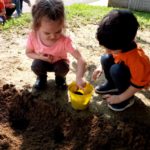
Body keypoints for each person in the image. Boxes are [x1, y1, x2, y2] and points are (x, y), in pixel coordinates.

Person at [92, 9, 150, 111]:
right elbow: (109, 52)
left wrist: (119, 98)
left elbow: (137, 85)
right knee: (105, 58)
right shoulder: (119, 44)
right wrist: (100, 67)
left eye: (111, 48)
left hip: (133, 82)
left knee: (116, 69)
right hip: (123, 71)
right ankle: (112, 84)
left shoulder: (137, 60)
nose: (107, 50)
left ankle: (127, 99)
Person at [26, 0, 86, 90]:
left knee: (63, 67)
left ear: (63, 25)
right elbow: (28, 53)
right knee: (36, 65)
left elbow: (81, 59)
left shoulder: (65, 40)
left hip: (59, 64)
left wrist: (79, 77)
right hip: (43, 63)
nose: (53, 36)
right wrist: (41, 57)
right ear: (37, 27)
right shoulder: (33, 36)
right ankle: (41, 78)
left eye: (58, 31)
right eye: (47, 33)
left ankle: (60, 79)